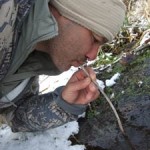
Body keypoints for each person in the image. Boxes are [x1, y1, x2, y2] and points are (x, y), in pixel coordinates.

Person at [0, 0, 126, 132]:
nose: (93, 56)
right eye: (95, 39)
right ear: (64, 13)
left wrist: (65, 104)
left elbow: (14, 114)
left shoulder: (32, 57)